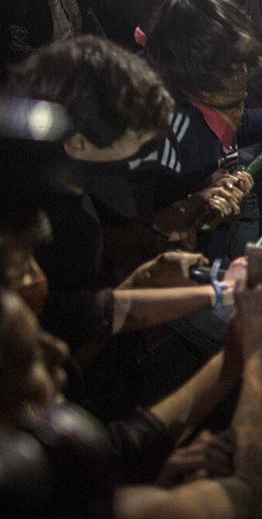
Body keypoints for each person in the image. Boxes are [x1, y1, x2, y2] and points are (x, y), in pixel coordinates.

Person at [0, 248, 262, 519]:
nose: (59, 349)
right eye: (30, 354)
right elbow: (247, 497)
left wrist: (157, 482)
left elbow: (129, 445)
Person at [1, 37, 247, 363]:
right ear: (77, 142)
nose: (145, 158)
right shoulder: (23, 217)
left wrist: (182, 211)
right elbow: (52, 318)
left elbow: (97, 237)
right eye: (136, 143)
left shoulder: (67, 185)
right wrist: (146, 295)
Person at [143, 0, 262, 260]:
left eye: (240, 64)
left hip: (214, 250)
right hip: (185, 265)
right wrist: (209, 191)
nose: (241, 77)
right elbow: (163, 207)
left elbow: (239, 123)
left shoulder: (207, 101)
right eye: (229, 66)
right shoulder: (169, 122)